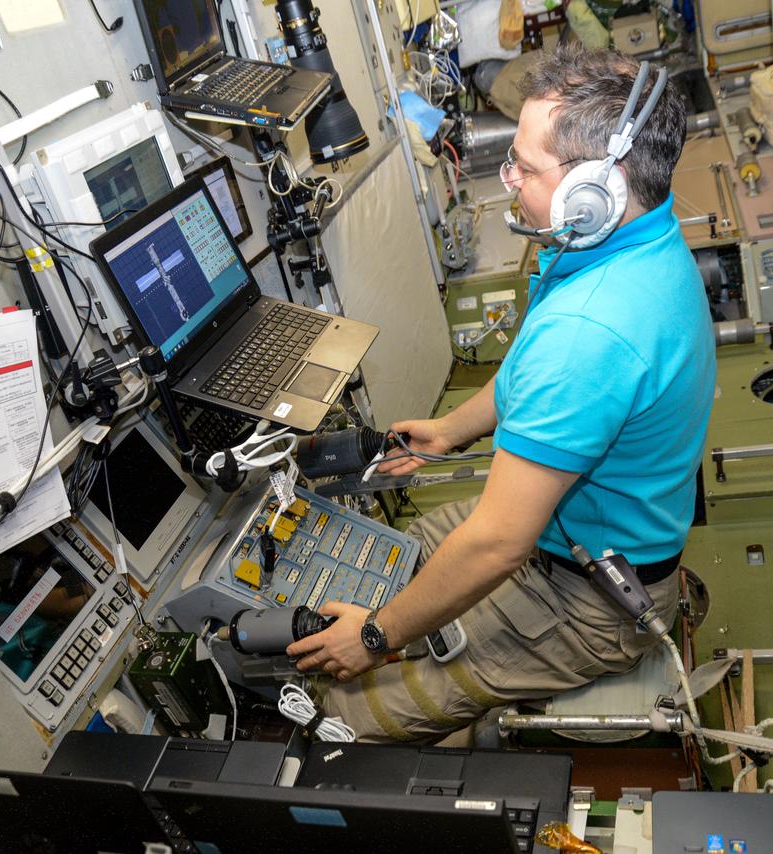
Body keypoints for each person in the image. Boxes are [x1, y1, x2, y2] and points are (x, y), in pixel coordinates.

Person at [287, 44, 716, 743]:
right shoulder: (631, 241)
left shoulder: (590, 332)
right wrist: (453, 428)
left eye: (523, 164)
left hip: (585, 603)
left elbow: (495, 545)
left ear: (596, 187)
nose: (507, 178)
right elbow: (529, 362)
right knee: (382, 555)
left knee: (339, 714)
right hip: (573, 544)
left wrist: (372, 638)